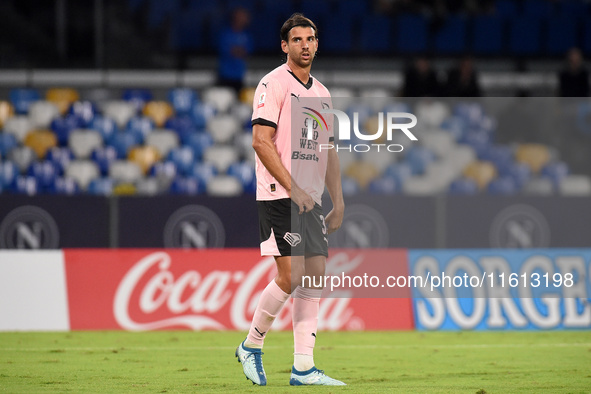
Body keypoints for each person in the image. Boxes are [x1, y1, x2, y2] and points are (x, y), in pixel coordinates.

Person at [235, 13, 346, 386]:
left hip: (310, 199)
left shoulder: (322, 93)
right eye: (296, 39)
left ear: (317, 44)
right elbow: (260, 141)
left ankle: (303, 367)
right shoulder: (273, 84)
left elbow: (328, 150)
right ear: (285, 46)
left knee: (314, 275)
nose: (304, 45)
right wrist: (293, 188)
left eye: (310, 39)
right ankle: (252, 344)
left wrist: (339, 200)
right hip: (279, 193)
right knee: (292, 273)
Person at [217, 7, 252, 92]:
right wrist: (236, 50)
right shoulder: (226, 34)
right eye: (242, 17)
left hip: (239, 75)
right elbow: (226, 49)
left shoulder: (246, 36)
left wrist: (237, 50)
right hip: (225, 75)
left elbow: (248, 50)